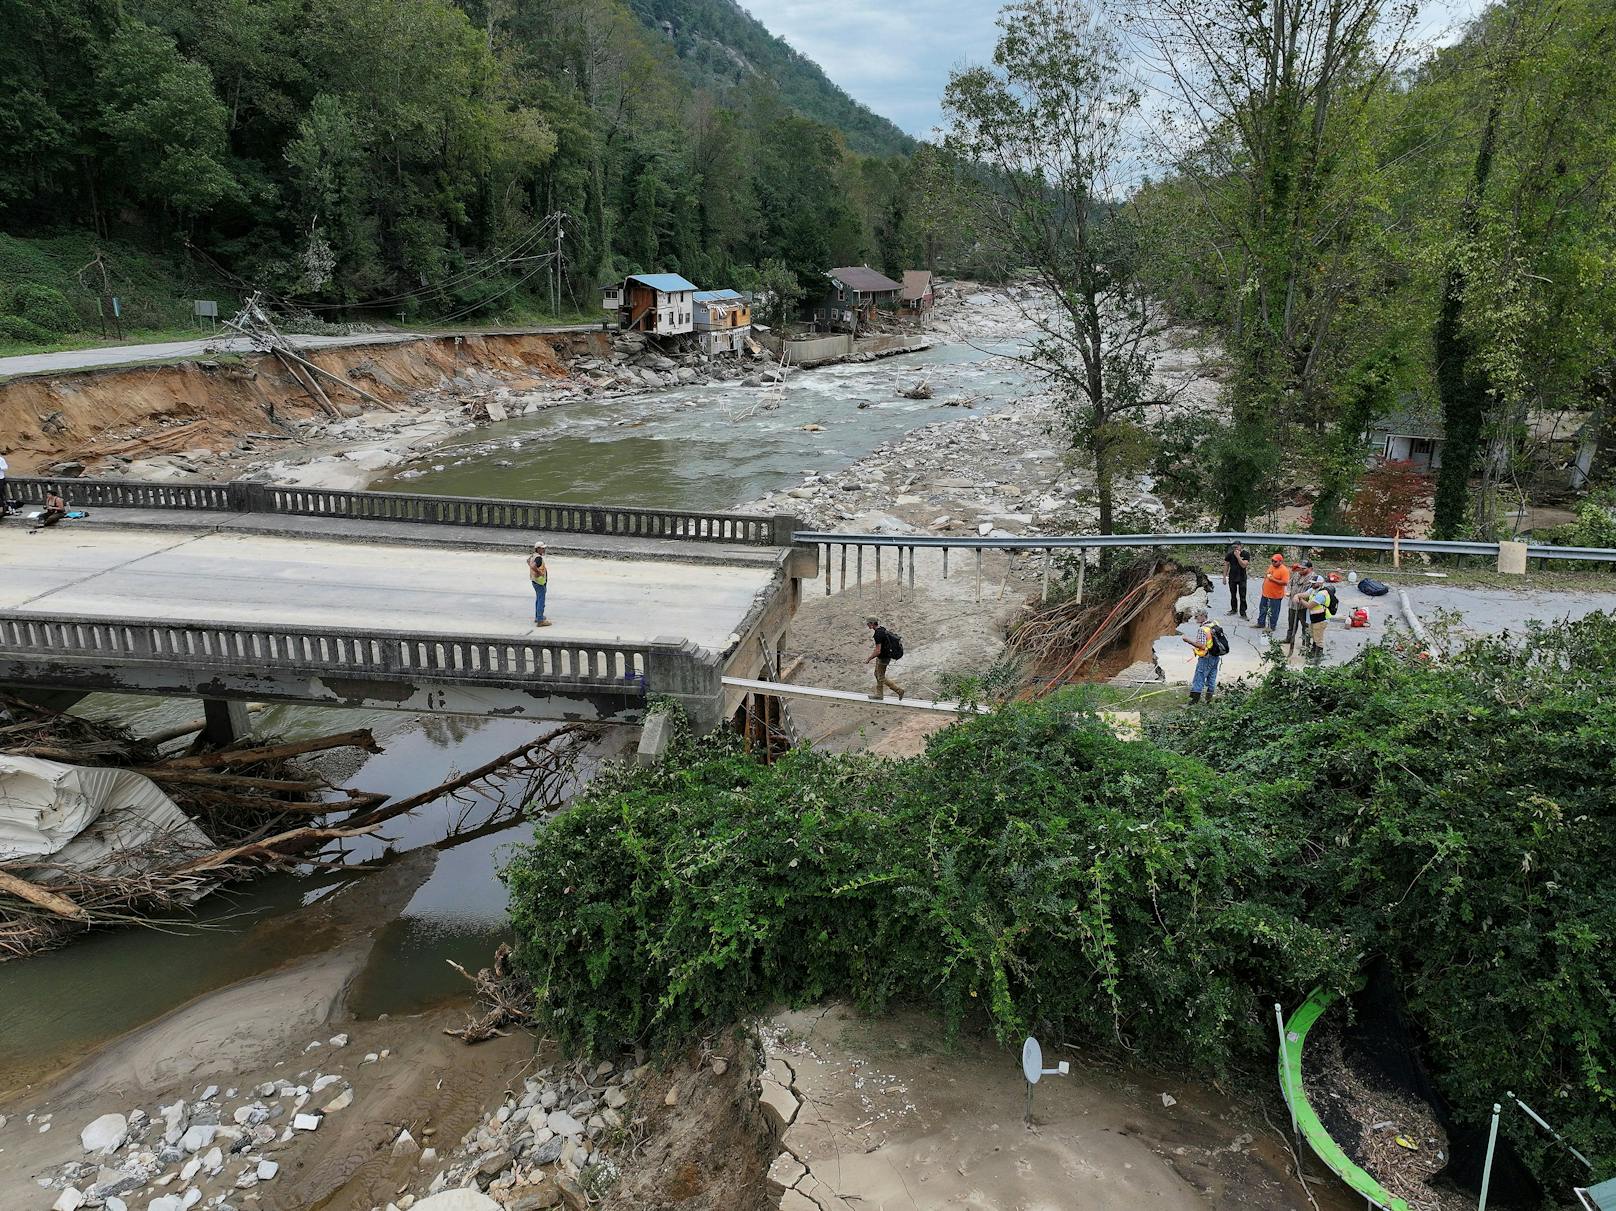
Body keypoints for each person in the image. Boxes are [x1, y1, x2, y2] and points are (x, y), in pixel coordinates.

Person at [1183, 607, 1221, 702]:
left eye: (1197, 617)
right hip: (1216, 656)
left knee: (1199, 678)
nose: (1195, 619)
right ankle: (1208, 700)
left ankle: (1194, 701)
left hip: (1206, 657)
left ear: (1203, 616)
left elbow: (1202, 646)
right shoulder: (1214, 623)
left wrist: (1188, 640)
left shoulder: (1202, 629)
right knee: (1212, 677)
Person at [864, 615, 905, 701]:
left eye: (868, 623)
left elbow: (878, 650)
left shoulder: (878, 634)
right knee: (877, 674)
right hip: (883, 656)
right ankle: (879, 694)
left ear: (872, 624)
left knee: (881, 677)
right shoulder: (882, 629)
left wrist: (869, 659)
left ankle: (899, 690)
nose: (867, 625)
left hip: (883, 658)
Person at [1256, 553, 1290, 633]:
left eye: (1275, 561)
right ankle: (1261, 623)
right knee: (1262, 609)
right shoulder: (1271, 566)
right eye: (1272, 561)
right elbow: (1268, 575)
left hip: (1275, 596)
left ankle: (1272, 626)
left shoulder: (1284, 570)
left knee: (1274, 611)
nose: (1273, 562)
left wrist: (1273, 580)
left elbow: (1285, 582)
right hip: (1266, 593)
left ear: (1280, 562)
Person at [1284, 558, 1313, 652]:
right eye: (1300, 568)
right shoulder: (1296, 574)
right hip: (1292, 605)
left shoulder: (1313, 578)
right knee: (1291, 624)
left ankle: (1306, 644)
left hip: (1303, 607)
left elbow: (1312, 592)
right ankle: (1289, 639)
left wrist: (1301, 598)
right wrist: (1288, 591)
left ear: (1310, 569)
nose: (1301, 570)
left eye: (1303, 569)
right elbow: (1290, 583)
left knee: (1305, 626)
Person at [1305, 574, 1332, 661]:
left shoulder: (1321, 594)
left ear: (1320, 584)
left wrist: (1300, 599)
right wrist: (1297, 595)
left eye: (1314, 583)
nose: (1312, 585)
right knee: (1314, 636)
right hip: (1315, 618)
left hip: (1321, 619)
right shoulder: (1314, 590)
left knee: (1318, 639)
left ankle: (1317, 658)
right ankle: (1313, 653)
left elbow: (1310, 605)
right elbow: (1305, 594)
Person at [526, 541, 552, 627]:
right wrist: (539, 572)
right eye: (542, 548)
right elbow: (533, 566)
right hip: (540, 582)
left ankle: (538, 616)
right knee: (541, 600)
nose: (544, 550)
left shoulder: (533, 555)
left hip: (535, 581)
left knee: (538, 599)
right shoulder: (538, 558)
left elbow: (528, 561)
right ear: (538, 549)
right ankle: (540, 620)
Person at [1223, 542, 1249, 618]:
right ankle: (1234, 609)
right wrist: (1224, 577)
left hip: (1242, 577)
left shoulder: (1245, 554)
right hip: (1232, 577)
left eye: (1237, 547)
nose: (1235, 549)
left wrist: (1238, 557)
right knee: (1233, 595)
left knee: (1242, 596)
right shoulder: (1230, 554)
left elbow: (1244, 565)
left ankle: (1243, 613)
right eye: (1234, 547)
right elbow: (1226, 565)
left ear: (1240, 546)